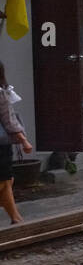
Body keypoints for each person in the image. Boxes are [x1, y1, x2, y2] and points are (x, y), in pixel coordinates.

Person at [0, 63, 33, 224]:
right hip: (1, 145)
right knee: (5, 182)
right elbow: (9, 121)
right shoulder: (2, 94)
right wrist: (24, 141)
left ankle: (16, 218)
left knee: (6, 182)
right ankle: (16, 218)